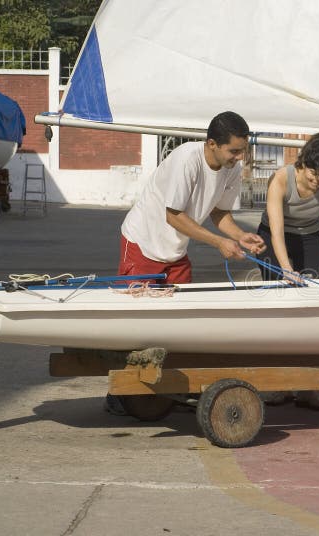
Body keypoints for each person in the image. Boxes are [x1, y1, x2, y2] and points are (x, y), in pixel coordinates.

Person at [105, 111, 266, 416]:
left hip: (175, 251)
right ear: (211, 144)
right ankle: (119, 393)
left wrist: (240, 236)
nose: (238, 157)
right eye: (233, 151)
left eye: (242, 150)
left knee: (178, 325)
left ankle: (169, 388)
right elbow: (173, 215)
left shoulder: (231, 167)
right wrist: (219, 242)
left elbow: (220, 214)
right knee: (135, 327)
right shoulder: (186, 160)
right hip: (142, 243)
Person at [256, 132, 319, 410]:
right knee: (278, 306)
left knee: (310, 307)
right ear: (302, 165)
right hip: (273, 237)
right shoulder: (281, 179)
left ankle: (306, 388)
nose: (318, 183)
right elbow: (276, 232)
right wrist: (286, 270)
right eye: (313, 176)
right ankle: (275, 384)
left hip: (309, 236)